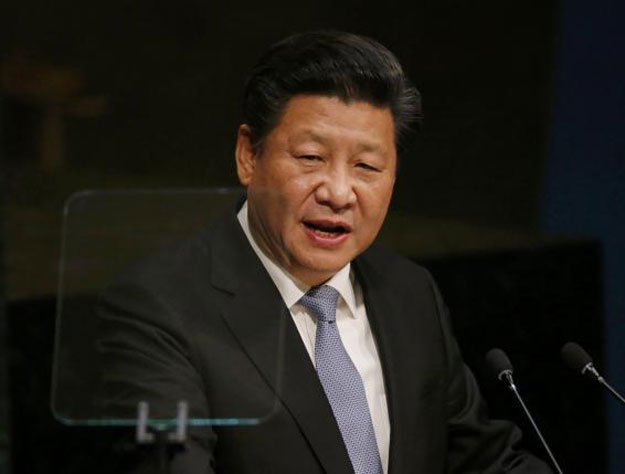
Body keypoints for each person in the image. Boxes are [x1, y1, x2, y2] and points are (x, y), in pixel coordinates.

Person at [97, 31, 553, 473]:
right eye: (311, 157)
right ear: (247, 156)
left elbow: (482, 460)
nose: (339, 193)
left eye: (367, 166)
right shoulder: (159, 306)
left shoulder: (409, 293)